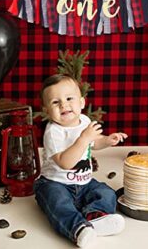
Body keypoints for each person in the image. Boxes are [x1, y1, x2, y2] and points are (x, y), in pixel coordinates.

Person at [34, 74, 128, 248]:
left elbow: (94, 142)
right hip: (55, 184)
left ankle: (96, 218)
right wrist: (84, 138)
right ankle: (78, 229)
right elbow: (65, 163)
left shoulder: (84, 121)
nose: (64, 104)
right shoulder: (53, 133)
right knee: (58, 203)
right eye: (55, 102)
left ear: (82, 102)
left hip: (84, 183)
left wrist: (107, 140)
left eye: (69, 98)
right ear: (46, 110)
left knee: (106, 192)